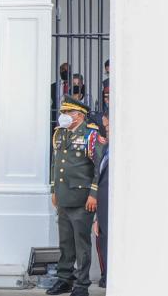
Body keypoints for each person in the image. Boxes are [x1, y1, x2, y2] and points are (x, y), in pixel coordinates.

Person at [46, 99, 104, 296]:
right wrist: (54, 190)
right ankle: (64, 279)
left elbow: (99, 168)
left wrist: (94, 194)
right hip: (63, 197)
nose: (63, 115)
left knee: (81, 245)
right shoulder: (60, 134)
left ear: (79, 115)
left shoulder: (90, 135)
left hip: (82, 199)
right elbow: (55, 164)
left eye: (68, 111)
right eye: (63, 111)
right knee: (65, 243)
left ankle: (81, 285)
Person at [93, 112, 110, 289]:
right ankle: (106, 274)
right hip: (103, 211)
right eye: (105, 127)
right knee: (102, 242)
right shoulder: (106, 149)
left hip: (114, 210)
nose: (107, 130)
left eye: (109, 126)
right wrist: (98, 216)